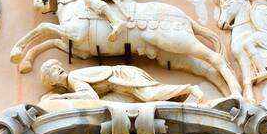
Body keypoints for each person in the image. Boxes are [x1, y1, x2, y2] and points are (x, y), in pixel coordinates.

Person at [39, 59, 204, 108]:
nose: (59, 69)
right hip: (117, 88)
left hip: (123, 77)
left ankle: (190, 88)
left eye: (58, 66)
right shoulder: (71, 83)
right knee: (115, 107)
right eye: (53, 70)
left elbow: (91, 96)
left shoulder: (73, 77)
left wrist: (63, 98)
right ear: (52, 81)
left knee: (149, 95)